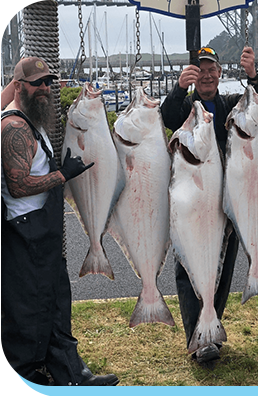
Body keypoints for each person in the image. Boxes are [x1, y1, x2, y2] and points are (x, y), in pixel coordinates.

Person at [1, 57, 119, 386]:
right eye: (37, 83)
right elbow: (19, 185)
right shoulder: (13, 127)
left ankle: (72, 373)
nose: (45, 89)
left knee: (56, 307)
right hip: (24, 234)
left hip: (45, 235)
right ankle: (26, 378)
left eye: (48, 83)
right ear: (18, 86)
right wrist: (63, 174)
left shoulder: (32, 120)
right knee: (28, 315)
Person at [161, 46, 258, 364]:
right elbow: (166, 117)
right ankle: (196, 337)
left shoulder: (231, 104)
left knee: (222, 269)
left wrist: (253, 76)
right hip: (192, 203)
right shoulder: (185, 108)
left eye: (212, 69)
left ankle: (212, 327)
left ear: (220, 73)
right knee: (188, 269)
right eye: (201, 70)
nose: (207, 75)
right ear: (194, 75)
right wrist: (179, 87)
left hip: (227, 204)